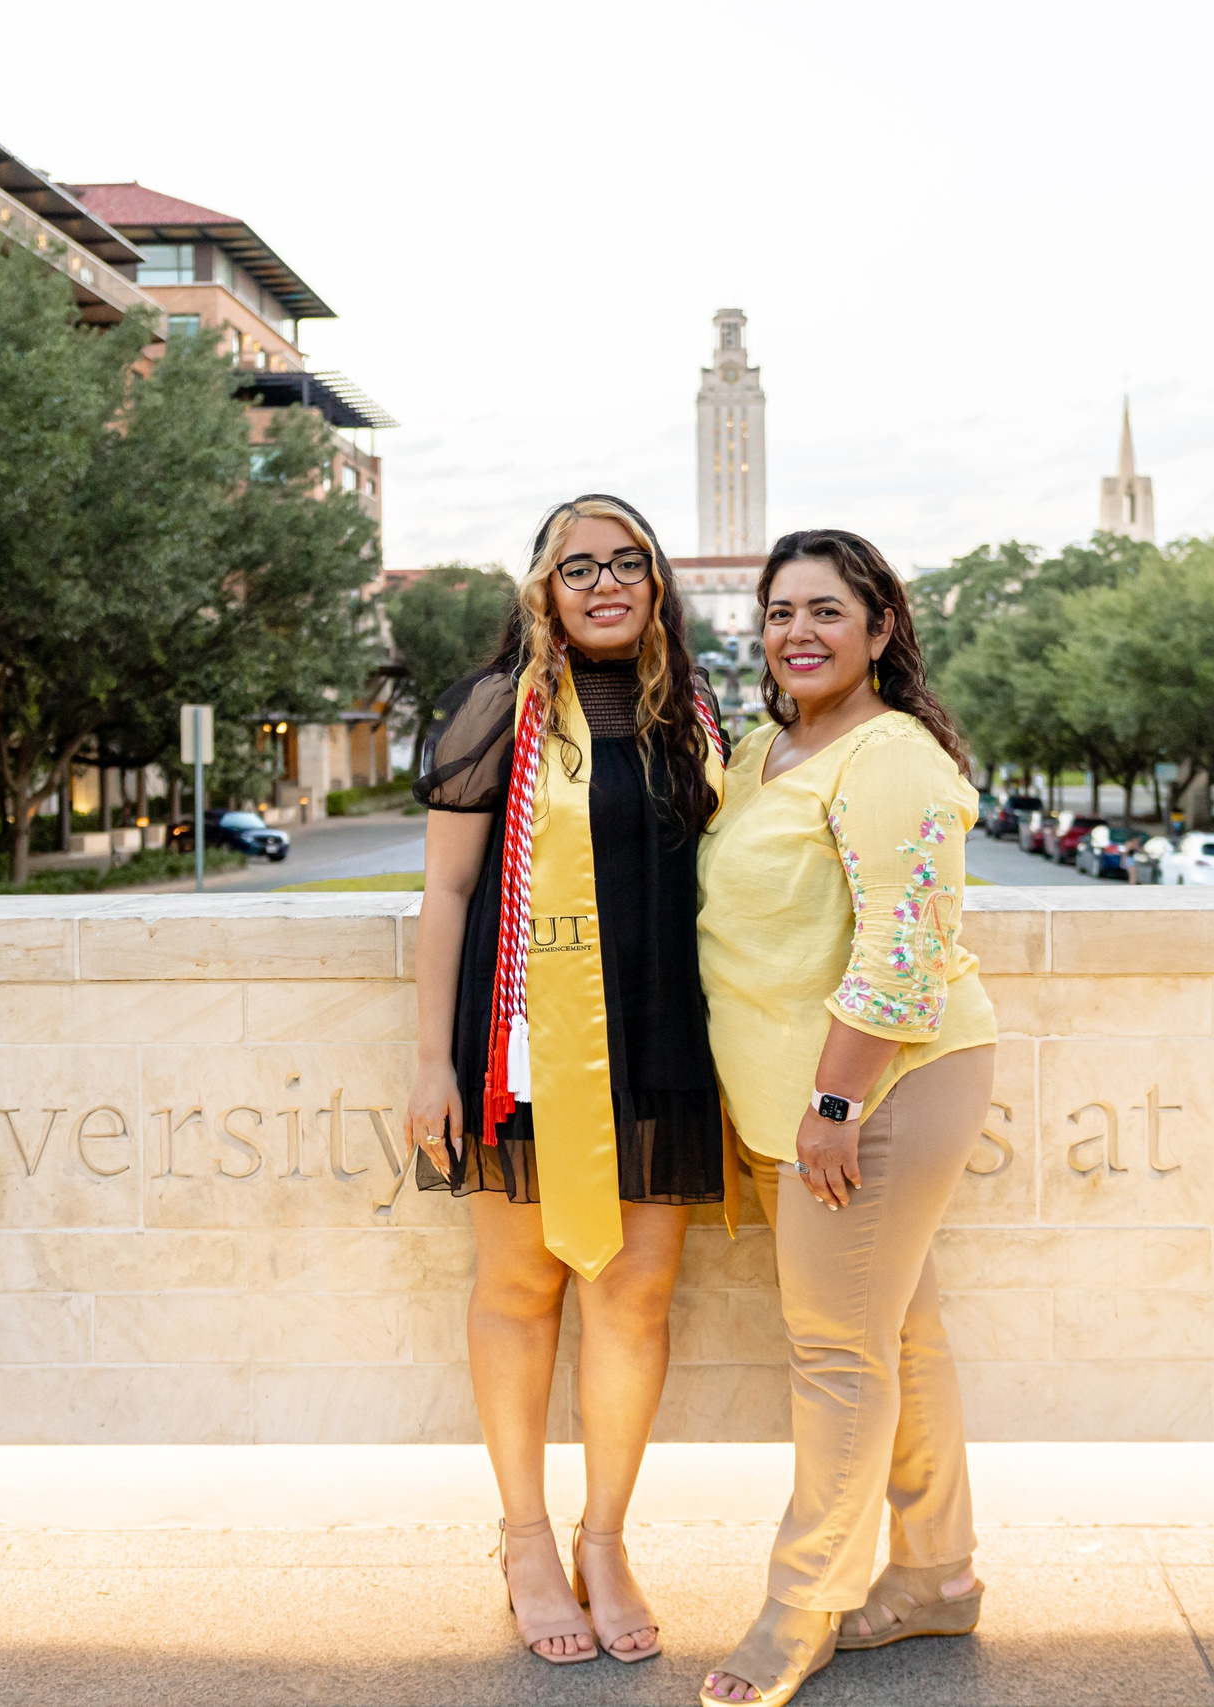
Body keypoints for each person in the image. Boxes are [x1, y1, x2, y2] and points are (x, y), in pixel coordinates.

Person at [405, 494, 727, 1667]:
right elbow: (445, 892)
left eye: (626, 562)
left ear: (656, 583)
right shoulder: (500, 711)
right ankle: (526, 1540)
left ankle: (606, 1540)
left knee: (635, 1297)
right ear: (541, 587)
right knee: (519, 1287)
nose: (603, 581)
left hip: (659, 1039)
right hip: (522, 1044)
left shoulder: (693, 716)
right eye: (576, 564)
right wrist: (431, 1058)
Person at [695, 528, 999, 1706]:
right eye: (780, 613)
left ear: (880, 631)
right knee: (897, 1337)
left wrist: (829, 1103)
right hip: (800, 1100)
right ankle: (936, 1578)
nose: (798, 632)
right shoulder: (769, 748)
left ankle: (803, 1602)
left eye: (827, 611)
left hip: (880, 1088)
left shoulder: (889, 756)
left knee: (834, 1352)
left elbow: (903, 949)